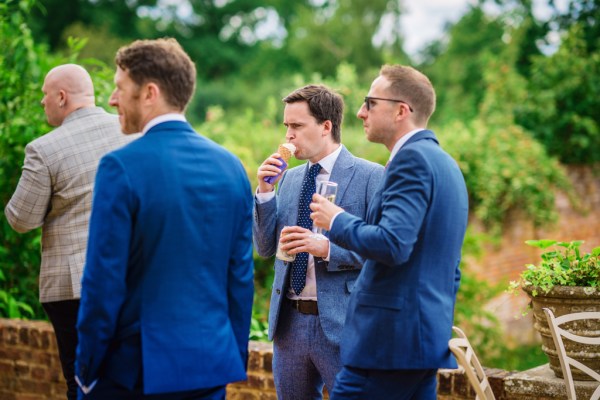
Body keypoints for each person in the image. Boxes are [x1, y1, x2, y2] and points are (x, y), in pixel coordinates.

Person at [74, 38, 254, 399]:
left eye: (120, 88)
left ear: (149, 92)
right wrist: (230, 356)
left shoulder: (120, 167)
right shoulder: (231, 168)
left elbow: (102, 283)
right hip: (209, 370)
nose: (112, 100)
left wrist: (86, 370)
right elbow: (240, 278)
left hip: (134, 374)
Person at [310, 65, 469, 400]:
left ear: (401, 110)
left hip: (386, 346)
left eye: (370, 103)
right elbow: (449, 266)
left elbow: (393, 244)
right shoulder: (445, 164)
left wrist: (336, 220)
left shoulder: (411, 161)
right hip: (421, 342)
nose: (360, 112)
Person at [4, 64, 135, 400]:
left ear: (61, 97)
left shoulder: (45, 149)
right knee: (127, 377)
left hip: (70, 286)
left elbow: (21, 220)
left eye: (45, 96)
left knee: (80, 380)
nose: (42, 103)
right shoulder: (132, 132)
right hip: (128, 277)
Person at [254, 84, 384, 399]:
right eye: (286, 126)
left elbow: (383, 252)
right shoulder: (288, 178)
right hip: (289, 325)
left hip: (343, 326)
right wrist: (264, 191)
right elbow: (265, 248)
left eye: (297, 126)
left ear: (326, 126)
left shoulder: (371, 177)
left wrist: (325, 248)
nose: (288, 135)